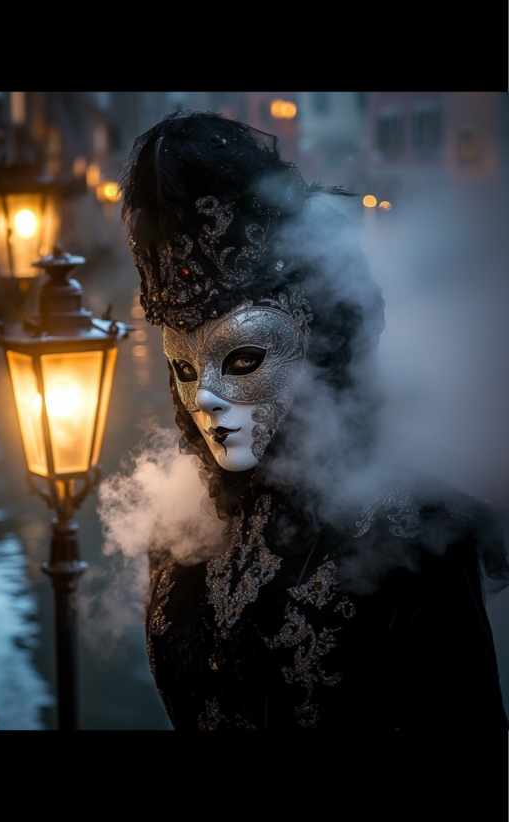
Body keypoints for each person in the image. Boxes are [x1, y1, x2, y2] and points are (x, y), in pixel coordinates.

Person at [120, 111, 509, 731]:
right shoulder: (178, 535)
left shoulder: (416, 542)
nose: (207, 401)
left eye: (243, 357)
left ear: (315, 345)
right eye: (185, 371)